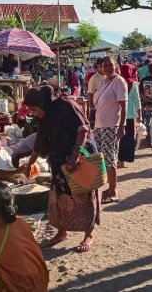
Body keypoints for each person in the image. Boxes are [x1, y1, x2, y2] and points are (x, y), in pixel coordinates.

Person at [21, 85, 98, 252]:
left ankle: (89, 234)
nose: (33, 113)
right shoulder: (44, 115)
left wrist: (75, 156)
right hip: (58, 159)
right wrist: (29, 164)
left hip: (78, 155)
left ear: (42, 102)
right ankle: (61, 232)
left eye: (34, 109)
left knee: (84, 194)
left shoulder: (66, 105)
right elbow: (40, 140)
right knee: (60, 195)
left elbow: (83, 129)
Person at [93, 57, 127, 203]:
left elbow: (123, 107)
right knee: (101, 158)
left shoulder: (118, 81)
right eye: (104, 65)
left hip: (111, 125)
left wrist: (122, 126)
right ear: (101, 67)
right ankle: (109, 187)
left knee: (110, 158)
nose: (107, 68)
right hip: (99, 125)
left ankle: (113, 191)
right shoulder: (102, 82)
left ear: (115, 66)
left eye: (110, 65)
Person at [119, 63, 141, 167]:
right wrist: (140, 115)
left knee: (120, 137)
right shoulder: (134, 84)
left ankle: (119, 160)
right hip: (131, 115)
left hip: (119, 115)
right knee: (129, 138)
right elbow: (137, 100)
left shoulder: (118, 82)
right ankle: (127, 158)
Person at [86, 57, 106, 126]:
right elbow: (90, 93)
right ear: (97, 67)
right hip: (98, 107)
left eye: (103, 66)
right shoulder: (94, 78)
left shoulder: (108, 76)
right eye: (100, 67)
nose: (102, 68)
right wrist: (92, 108)